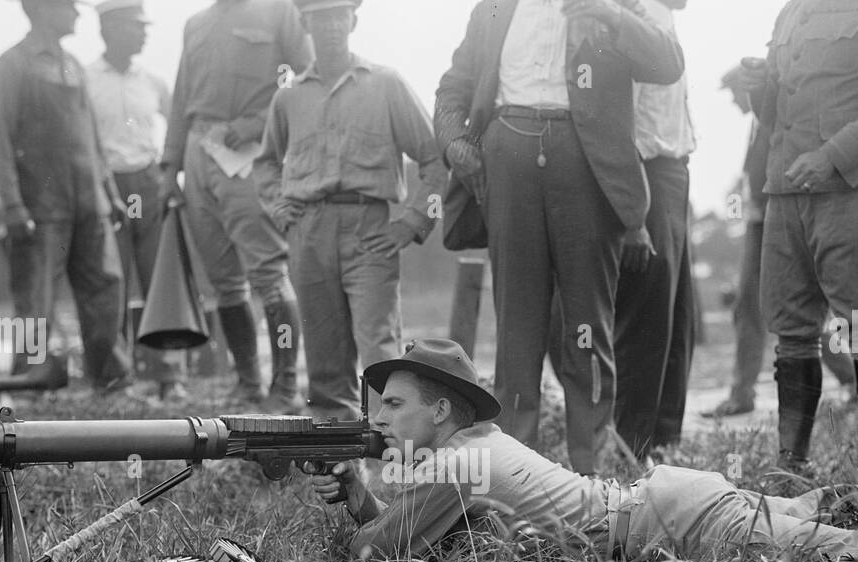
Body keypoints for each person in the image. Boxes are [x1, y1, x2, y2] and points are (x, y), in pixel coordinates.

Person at [307, 339, 858, 562]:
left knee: (857, 550)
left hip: (676, 525)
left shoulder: (453, 462)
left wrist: (354, 491)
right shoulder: (470, 444)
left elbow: (380, 551)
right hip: (671, 501)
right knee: (828, 507)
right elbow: (398, 525)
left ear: (441, 411)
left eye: (396, 403)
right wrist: (363, 491)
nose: (381, 415)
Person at [434, 0, 685, 476]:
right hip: (507, 155)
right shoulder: (492, 9)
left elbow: (667, 63)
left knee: (589, 329)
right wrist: (453, 143)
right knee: (517, 332)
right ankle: (512, 478)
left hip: (588, 166)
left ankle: (595, 485)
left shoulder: (616, 4)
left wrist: (610, 12)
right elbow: (453, 87)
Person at [737, 0, 858, 478]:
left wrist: (832, 157)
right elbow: (775, 114)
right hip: (785, 189)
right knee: (792, 329)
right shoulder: (790, 12)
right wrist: (759, 90)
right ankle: (791, 463)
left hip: (850, 188)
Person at [255, 0, 447, 421]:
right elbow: (265, 163)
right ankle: (339, 463)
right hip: (308, 231)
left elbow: (434, 159)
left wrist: (412, 221)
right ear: (305, 23)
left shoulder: (386, 84)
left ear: (354, 20)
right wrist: (279, 207)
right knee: (324, 353)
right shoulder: (288, 96)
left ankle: (391, 457)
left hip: (370, 228)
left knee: (378, 345)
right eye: (320, 17)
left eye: (339, 15)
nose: (330, 25)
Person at [162, 0, 310, 412]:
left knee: (268, 271)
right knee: (223, 280)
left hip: (250, 154)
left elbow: (308, 79)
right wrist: (169, 165)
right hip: (198, 150)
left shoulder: (280, 12)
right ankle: (247, 382)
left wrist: (258, 126)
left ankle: (286, 385)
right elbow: (181, 98)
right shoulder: (196, 24)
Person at [0, 0, 135, 394]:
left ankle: (112, 379)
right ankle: (29, 383)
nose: (76, 13)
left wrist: (111, 192)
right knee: (36, 300)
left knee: (106, 289)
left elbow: (92, 139)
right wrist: (12, 205)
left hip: (90, 203)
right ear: (40, 9)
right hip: (40, 208)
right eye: (67, 5)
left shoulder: (74, 65)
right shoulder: (12, 65)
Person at [707, 71, 855, 419]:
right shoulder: (759, 124)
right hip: (759, 221)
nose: (732, 100)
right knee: (754, 308)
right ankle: (743, 392)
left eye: (735, 92)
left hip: (778, 219)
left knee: (797, 310)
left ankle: (852, 379)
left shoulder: (777, 118)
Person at [608, 0, 697, 465]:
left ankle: (664, 438)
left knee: (680, 316)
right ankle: (633, 444)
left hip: (676, 171)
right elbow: (624, 120)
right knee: (647, 316)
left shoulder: (663, 18)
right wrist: (633, 214)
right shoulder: (637, 21)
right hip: (648, 174)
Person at [86, 0, 186, 403]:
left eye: (145, 26)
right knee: (113, 283)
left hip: (148, 184)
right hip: (108, 185)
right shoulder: (87, 80)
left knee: (159, 282)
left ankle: (170, 375)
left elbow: (176, 122)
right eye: (134, 25)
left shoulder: (152, 81)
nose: (143, 33)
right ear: (109, 28)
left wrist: (168, 173)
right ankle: (116, 378)